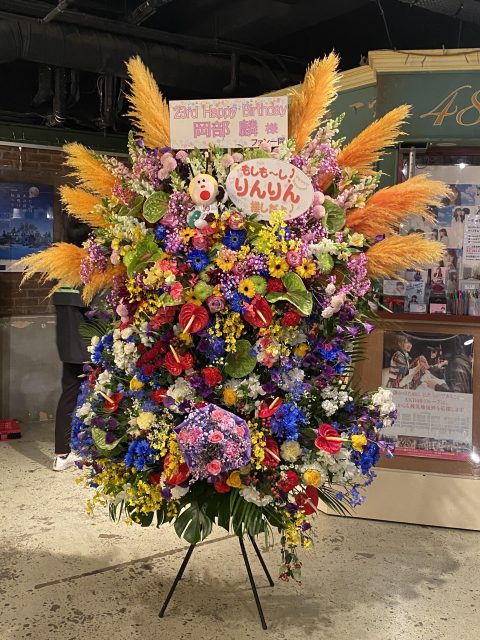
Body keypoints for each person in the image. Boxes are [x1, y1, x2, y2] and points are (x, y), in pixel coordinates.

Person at [52, 221, 91, 471]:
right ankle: (98, 450)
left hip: (66, 343)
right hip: (89, 343)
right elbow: (96, 308)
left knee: (68, 395)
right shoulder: (89, 267)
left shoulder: (60, 266)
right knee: (100, 395)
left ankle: (61, 453)